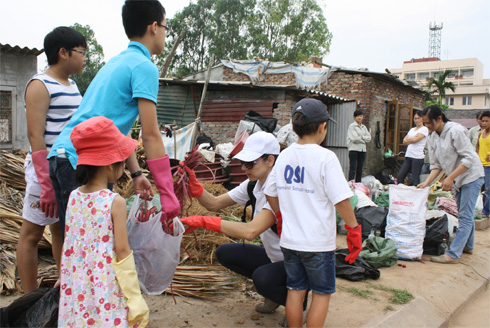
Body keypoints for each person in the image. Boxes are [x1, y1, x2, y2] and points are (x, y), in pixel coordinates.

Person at [47, 0, 179, 241]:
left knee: (78, 249)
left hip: (62, 157)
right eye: (165, 27)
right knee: (92, 249)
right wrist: (167, 193)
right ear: (153, 27)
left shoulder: (116, 62)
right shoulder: (144, 66)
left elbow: (117, 130)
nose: (164, 34)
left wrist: (137, 174)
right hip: (83, 162)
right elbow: (150, 135)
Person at [178, 132, 295, 325]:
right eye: (242, 162)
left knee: (262, 278)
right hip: (275, 256)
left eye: (250, 163)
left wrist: (203, 222)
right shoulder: (253, 184)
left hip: (296, 262)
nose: (243, 168)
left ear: (270, 160)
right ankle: (275, 294)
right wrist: (194, 185)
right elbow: (214, 203)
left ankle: (299, 303)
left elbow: (250, 231)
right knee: (226, 253)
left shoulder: (280, 188)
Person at [264, 98, 362, 328]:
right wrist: (354, 229)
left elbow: (270, 193)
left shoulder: (285, 156)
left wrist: (281, 217)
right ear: (321, 128)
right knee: (321, 293)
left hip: (290, 242)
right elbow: (342, 200)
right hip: (317, 244)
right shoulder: (325, 157)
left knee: (295, 290)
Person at [58, 116, 149, 327]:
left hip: (78, 281)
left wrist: (65, 275)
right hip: (105, 282)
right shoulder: (113, 202)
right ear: (110, 165)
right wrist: (134, 295)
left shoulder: (73, 197)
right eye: (123, 162)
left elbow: (69, 243)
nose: (125, 168)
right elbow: (123, 251)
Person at [17, 26, 87, 294]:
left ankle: (65, 292)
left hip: (65, 169)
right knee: (32, 235)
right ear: (63, 52)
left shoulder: (72, 85)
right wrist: (46, 185)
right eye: (81, 53)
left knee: (61, 232)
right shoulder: (39, 85)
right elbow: (36, 138)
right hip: (43, 171)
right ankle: (29, 298)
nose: (84, 59)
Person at [418, 105, 484, 264]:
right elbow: (436, 165)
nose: (427, 126)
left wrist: (450, 178)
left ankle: (453, 254)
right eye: (425, 123)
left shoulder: (456, 131)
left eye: (429, 123)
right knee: (463, 214)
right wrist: (426, 183)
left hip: (471, 176)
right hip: (459, 179)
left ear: (439, 119)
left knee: (466, 216)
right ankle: (468, 246)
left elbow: (468, 159)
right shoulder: (433, 136)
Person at [397, 110, 429, 185]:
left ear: (422, 119)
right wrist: (412, 139)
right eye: (415, 118)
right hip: (409, 155)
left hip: (418, 157)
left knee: (415, 179)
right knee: (400, 176)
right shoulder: (412, 130)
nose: (417, 120)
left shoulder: (424, 129)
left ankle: (416, 194)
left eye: (419, 118)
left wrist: (411, 139)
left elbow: (415, 140)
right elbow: (404, 141)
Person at [347, 109, 371, 182]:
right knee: (353, 169)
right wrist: (363, 139)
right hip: (354, 149)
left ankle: (358, 184)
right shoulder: (352, 126)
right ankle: (351, 184)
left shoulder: (364, 127)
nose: (359, 118)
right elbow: (354, 138)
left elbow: (369, 138)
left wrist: (361, 137)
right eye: (358, 116)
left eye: (361, 116)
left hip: (362, 150)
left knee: (360, 169)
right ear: (354, 117)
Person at [475, 111, 490, 218]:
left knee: (488, 189)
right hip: (480, 165)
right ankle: (482, 208)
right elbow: (477, 148)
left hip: (489, 166)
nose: (484, 123)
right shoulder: (481, 134)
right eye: (483, 121)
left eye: (487, 121)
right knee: (480, 188)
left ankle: (486, 210)